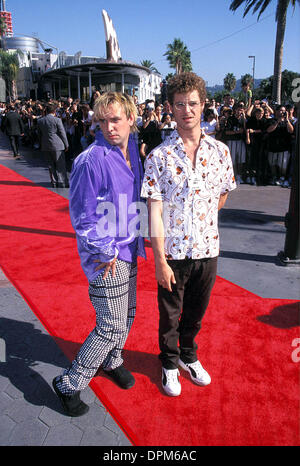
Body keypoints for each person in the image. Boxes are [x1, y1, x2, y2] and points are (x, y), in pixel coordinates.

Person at [141, 72, 236, 397]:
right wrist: (159, 261)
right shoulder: (158, 157)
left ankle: (188, 355)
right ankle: (169, 363)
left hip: (208, 250)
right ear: (170, 107)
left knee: (196, 313)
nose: (186, 110)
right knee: (169, 316)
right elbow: (153, 210)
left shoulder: (221, 152)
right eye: (179, 104)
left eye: (192, 103)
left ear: (203, 104)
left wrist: (201, 220)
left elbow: (223, 194)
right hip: (173, 255)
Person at [52, 92, 146, 416]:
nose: (109, 127)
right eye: (102, 121)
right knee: (110, 324)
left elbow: (136, 197)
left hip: (130, 245)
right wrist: (105, 251)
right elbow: (81, 216)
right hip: (107, 256)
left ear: (131, 118)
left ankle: (113, 360)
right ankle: (69, 384)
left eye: (115, 119)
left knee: (128, 314)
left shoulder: (133, 148)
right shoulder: (91, 160)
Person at [37, 103, 69, 188]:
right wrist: (66, 145)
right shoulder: (57, 120)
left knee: (50, 165)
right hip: (57, 144)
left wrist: (41, 144)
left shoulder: (40, 121)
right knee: (60, 164)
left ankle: (54, 182)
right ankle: (63, 182)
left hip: (46, 145)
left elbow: (39, 134)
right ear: (54, 111)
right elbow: (62, 133)